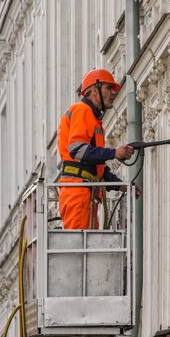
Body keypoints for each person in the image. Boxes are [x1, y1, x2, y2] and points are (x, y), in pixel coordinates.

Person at [57, 68, 135, 229]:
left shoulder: (92, 118)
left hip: (85, 192)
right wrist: (114, 153)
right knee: (79, 247)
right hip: (78, 192)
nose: (113, 93)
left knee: (88, 247)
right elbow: (77, 150)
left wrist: (120, 184)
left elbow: (96, 168)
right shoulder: (82, 110)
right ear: (94, 90)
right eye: (108, 88)